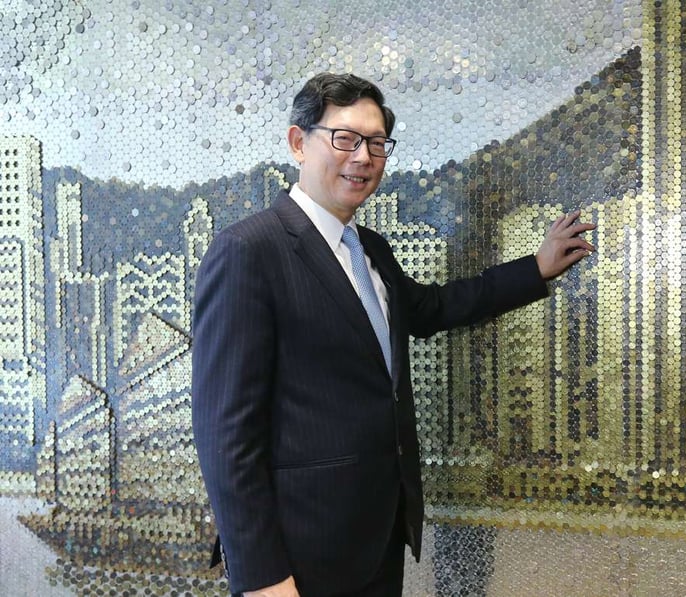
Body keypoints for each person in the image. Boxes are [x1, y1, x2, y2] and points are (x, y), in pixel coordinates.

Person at [190, 72, 595, 597]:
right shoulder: (249, 251)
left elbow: (433, 308)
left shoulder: (371, 249)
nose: (363, 157)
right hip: (299, 554)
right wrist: (262, 577)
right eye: (345, 138)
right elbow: (225, 435)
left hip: (379, 537)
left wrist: (535, 269)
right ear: (298, 143)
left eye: (377, 143)